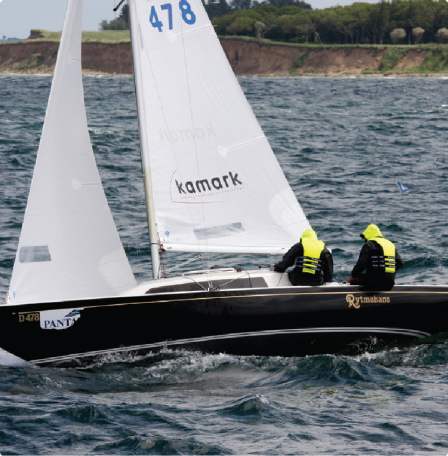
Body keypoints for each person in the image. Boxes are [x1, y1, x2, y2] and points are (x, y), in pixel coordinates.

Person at [348, 224, 404, 291]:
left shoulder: (368, 245)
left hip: (373, 283)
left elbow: (361, 265)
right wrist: (387, 271)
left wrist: (354, 275)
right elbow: (400, 263)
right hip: (389, 283)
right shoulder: (390, 244)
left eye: (364, 238)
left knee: (352, 281)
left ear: (368, 235)